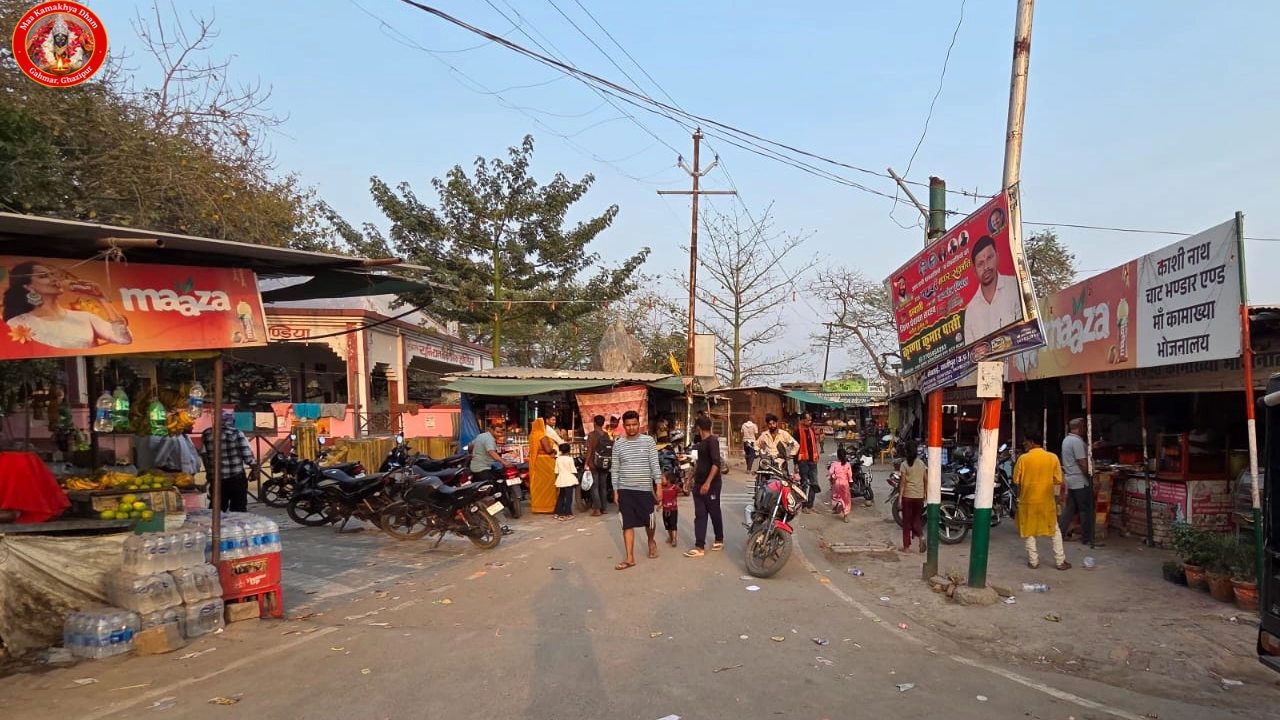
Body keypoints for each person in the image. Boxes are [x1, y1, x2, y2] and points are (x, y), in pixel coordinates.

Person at [2, 261, 132, 350]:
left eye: (53, 275)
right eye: (43, 276)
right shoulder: (17, 324)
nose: (54, 279)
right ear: (28, 286)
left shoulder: (85, 317)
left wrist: (102, 299)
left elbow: (124, 339)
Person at [611, 410, 662, 570]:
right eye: (628, 425)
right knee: (627, 523)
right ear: (624, 426)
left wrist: (659, 487)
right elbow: (615, 469)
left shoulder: (648, 441)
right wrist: (615, 491)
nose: (631, 428)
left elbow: (655, 465)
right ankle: (630, 558)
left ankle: (651, 540)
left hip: (645, 489)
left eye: (634, 424)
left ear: (639, 424)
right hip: (625, 489)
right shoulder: (618, 444)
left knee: (649, 521)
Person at [1015, 431, 1072, 570]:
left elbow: (1016, 480)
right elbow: (1058, 479)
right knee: (1054, 531)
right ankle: (1060, 561)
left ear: (1031, 442)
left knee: (1028, 531)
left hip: (1028, 501)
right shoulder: (1052, 457)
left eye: (1025, 441)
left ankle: (1033, 561)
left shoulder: (1023, 459)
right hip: (1046, 501)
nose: (1024, 444)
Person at [962, 235, 1022, 347]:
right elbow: (973, 353)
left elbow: (1027, 333)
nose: (986, 267)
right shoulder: (971, 311)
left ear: (997, 256)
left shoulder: (1015, 286)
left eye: (989, 258)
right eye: (980, 264)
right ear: (974, 271)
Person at [684, 415, 724, 557]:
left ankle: (719, 538)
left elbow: (716, 464)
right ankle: (699, 546)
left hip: (712, 484)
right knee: (700, 514)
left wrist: (708, 482)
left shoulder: (712, 441)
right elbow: (699, 464)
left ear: (699, 428)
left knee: (714, 512)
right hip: (699, 484)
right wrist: (689, 478)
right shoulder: (701, 443)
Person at [201, 411, 255, 513]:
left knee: (217, 509)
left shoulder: (207, 433)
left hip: (216, 479)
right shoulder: (237, 433)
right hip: (236, 477)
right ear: (230, 421)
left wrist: (209, 472)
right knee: (238, 508)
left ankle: (217, 523)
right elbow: (247, 456)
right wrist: (254, 468)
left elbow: (204, 454)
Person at [1059, 418, 1097, 546]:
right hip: (1080, 480)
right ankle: (1087, 537)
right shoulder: (1076, 441)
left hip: (1071, 479)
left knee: (1071, 508)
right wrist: (1091, 477)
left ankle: (1060, 532)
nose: (1086, 429)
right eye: (1084, 427)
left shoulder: (1067, 440)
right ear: (1080, 427)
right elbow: (1082, 462)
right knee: (1086, 509)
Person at [899, 441, 926, 552]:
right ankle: (921, 536)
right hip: (919, 496)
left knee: (906, 522)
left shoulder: (904, 464)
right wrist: (925, 493)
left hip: (908, 496)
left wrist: (900, 498)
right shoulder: (921, 464)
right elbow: (925, 479)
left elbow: (903, 482)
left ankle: (906, 547)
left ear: (906, 451)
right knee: (916, 519)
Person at [528, 418, 558, 514]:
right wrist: (554, 450)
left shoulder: (532, 436)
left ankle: (538, 507)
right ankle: (549, 507)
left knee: (538, 484)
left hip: (537, 462)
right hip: (546, 462)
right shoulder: (542, 436)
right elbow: (548, 450)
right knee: (549, 484)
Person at [585, 414, 613, 516]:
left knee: (595, 486)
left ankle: (597, 509)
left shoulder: (592, 435)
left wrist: (586, 463)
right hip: (605, 463)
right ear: (603, 423)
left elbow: (589, 450)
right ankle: (604, 508)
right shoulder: (606, 435)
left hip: (594, 463)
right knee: (603, 486)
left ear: (594, 423)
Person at [794, 412, 821, 513]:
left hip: (812, 460)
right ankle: (804, 506)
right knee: (804, 484)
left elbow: (814, 445)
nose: (810, 421)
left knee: (814, 483)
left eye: (810, 420)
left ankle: (810, 505)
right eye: (808, 420)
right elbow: (795, 448)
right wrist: (795, 463)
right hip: (803, 461)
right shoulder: (797, 432)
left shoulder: (811, 430)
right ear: (802, 420)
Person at [828, 447, 853, 522]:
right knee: (846, 499)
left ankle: (837, 506)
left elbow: (830, 473)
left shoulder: (834, 464)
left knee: (836, 496)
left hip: (836, 483)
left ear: (837, 455)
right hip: (844, 483)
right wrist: (850, 482)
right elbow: (850, 475)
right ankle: (845, 515)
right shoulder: (847, 464)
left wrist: (832, 478)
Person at [553, 443, 577, 520]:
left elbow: (556, 471)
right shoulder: (570, 459)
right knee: (569, 497)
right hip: (569, 479)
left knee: (561, 496)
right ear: (569, 451)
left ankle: (559, 513)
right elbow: (573, 470)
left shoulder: (558, 459)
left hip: (561, 478)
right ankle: (568, 513)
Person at [660, 474, 679, 547]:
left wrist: (684, 488)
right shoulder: (662, 489)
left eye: (663, 479)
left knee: (673, 524)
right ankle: (671, 537)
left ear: (668, 480)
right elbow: (662, 499)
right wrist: (659, 506)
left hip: (673, 510)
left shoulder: (674, 487)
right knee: (667, 525)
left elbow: (680, 490)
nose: (661, 480)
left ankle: (674, 539)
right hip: (665, 510)